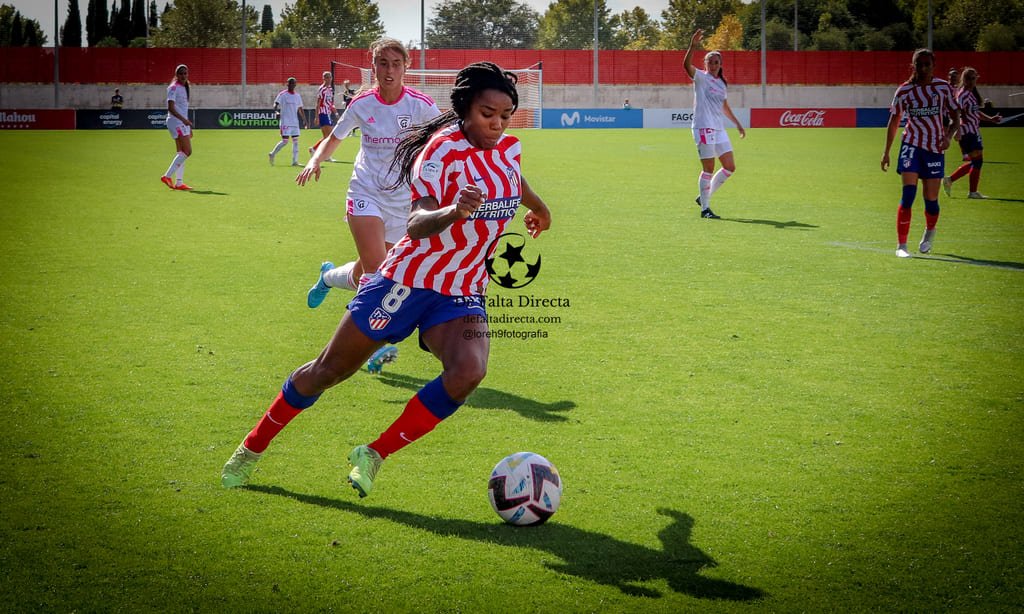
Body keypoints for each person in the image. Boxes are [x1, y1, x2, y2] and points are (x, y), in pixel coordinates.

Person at [221, 61, 553, 498]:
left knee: (469, 371)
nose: (497, 124)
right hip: (407, 281)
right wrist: (454, 211)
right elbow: (415, 223)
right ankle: (252, 446)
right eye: (487, 114)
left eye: (505, 116)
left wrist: (539, 207)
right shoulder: (439, 152)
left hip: (462, 290)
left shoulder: (509, 148)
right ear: (466, 110)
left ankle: (373, 454)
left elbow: (513, 177)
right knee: (328, 371)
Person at [299, 38, 441, 371]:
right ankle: (373, 344)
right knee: (380, 273)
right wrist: (316, 160)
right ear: (372, 65)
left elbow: (446, 140)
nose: (389, 70)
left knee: (369, 269)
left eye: (395, 63)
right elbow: (335, 137)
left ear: (406, 66)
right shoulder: (362, 103)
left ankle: (329, 278)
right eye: (382, 63)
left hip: (403, 201)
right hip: (365, 191)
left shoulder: (421, 105)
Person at [881, 49, 959, 258]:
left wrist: (948, 137)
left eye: (927, 64)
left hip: (934, 149)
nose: (923, 68)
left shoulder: (943, 88)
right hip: (911, 145)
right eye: (919, 64)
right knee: (908, 195)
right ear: (912, 66)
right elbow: (894, 121)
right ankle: (902, 245)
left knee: (930, 199)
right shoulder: (904, 91)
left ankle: (930, 232)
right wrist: (886, 151)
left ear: (933, 65)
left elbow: (954, 117)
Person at [683, 29, 746, 220]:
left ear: (720, 65)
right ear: (705, 64)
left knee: (729, 166)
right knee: (708, 169)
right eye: (710, 61)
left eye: (716, 62)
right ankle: (705, 209)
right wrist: (692, 46)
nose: (712, 64)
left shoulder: (721, 84)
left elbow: (724, 106)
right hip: (703, 127)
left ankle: (704, 197)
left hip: (719, 129)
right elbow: (686, 65)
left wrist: (737, 124)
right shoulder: (701, 77)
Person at [943, 67, 1002, 200]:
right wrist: (957, 131)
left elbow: (975, 113)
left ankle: (951, 180)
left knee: (976, 162)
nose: (972, 81)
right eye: (970, 78)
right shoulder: (963, 94)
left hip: (973, 130)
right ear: (965, 79)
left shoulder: (970, 94)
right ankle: (971, 191)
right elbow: (957, 112)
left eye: (974, 78)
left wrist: (991, 119)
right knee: (978, 161)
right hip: (967, 131)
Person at [160, 65, 193, 191]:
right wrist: (184, 121)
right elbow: (171, 108)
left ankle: (179, 183)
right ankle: (167, 176)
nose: (184, 76)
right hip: (176, 122)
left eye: (185, 73)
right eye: (181, 74)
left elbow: (183, 109)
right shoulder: (173, 87)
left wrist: (188, 126)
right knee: (187, 151)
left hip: (181, 122)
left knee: (181, 153)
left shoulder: (185, 87)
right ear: (176, 75)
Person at [269, 77, 306, 167]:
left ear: (295, 85)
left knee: (296, 141)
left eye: (293, 83)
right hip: (285, 121)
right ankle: (272, 153)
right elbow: (275, 104)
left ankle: (295, 161)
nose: (292, 85)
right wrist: (276, 111)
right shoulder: (282, 94)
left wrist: (304, 120)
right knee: (285, 141)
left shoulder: (297, 96)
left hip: (295, 122)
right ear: (287, 84)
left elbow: (300, 108)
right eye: (290, 83)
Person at [308, 71, 339, 163]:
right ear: (324, 78)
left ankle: (314, 149)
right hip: (323, 114)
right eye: (327, 77)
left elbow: (330, 103)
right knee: (330, 136)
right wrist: (316, 116)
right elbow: (318, 104)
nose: (329, 79)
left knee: (327, 137)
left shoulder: (330, 89)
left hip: (328, 113)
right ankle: (324, 154)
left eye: (330, 77)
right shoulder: (322, 89)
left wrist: (335, 112)